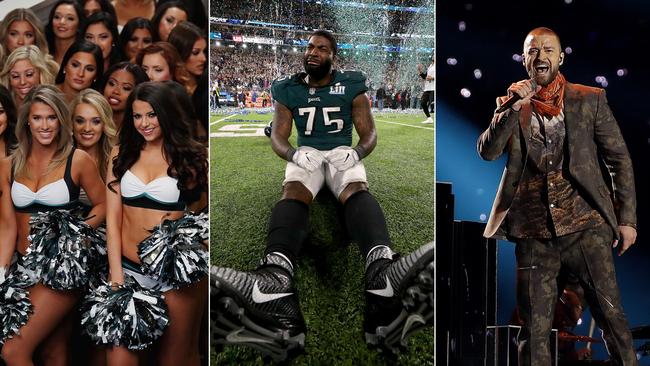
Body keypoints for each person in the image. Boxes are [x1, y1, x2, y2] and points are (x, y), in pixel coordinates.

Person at [211, 29, 433, 361]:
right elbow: (279, 136)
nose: (313, 52)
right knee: (293, 190)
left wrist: (357, 153)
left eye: (322, 48)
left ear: (333, 56)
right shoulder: (288, 88)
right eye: (310, 47)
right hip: (309, 154)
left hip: (342, 152)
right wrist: (292, 154)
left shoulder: (351, 83)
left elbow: (369, 132)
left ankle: (381, 271)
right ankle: (275, 277)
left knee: (356, 187)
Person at [477, 27, 637, 365]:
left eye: (548, 50)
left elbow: (618, 159)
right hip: (533, 231)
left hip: (586, 225)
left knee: (613, 321)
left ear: (560, 58)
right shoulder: (510, 104)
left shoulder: (589, 99)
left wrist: (627, 220)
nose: (541, 57)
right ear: (524, 60)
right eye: (533, 51)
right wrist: (509, 109)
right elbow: (488, 153)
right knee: (533, 332)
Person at [103, 81, 208, 365]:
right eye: (137, 116)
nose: (144, 123)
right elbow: (113, 221)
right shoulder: (119, 153)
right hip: (128, 272)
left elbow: (201, 218)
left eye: (151, 115)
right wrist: (116, 276)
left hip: (176, 277)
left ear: (166, 114)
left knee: (177, 359)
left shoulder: (192, 157)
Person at [0, 84, 106, 365]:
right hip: (22, 267)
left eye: (51, 117)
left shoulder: (77, 160)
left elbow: (104, 204)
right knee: (52, 352)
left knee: (13, 350)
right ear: (27, 121)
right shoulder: (8, 165)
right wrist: (1, 272)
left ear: (61, 120)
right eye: (37, 118)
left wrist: (78, 233)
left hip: (61, 269)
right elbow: (8, 226)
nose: (45, 125)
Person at [0, 45, 59, 109]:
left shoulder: (54, 106)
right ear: (9, 78)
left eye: (29, 74)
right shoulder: (3, 107)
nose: (22, 82)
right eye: (15, 76)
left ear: (40, 74)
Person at [100, 61, 148, 128]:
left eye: (126, 88)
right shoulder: (91, 123)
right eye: (111, 83)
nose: (116, 91)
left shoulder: (142, 129)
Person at [45, 0, 84, 65]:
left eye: (70, 18)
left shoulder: (86, 56)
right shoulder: (42, 54)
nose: (62, 22)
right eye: (57, 17)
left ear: (79, 25)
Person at [417, 55, 434, 124]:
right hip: (427, 88)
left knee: (432, 104)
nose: (433, 56)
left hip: (434, 88)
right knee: (423, 103)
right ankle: (429, 118)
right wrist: (420, 71)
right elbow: (425, 77)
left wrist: (432, 78)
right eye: (433, 55)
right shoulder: (430, 66)